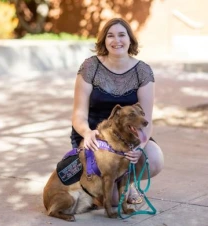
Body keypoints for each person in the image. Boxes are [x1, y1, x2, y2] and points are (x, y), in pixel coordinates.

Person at [70, 18, 164, 205]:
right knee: (112, 203)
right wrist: (86, 133)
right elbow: (78, 114)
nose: (116, 40)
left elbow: (147, 119)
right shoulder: (90, 67)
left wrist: (140, 147)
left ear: (130, 39)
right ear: (104, 40)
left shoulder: (142, 71)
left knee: (154, 160)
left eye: (122, 35)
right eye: (110, 36)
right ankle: (102, 186)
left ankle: (126, 182)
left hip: (129, 135)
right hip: (96, 136)